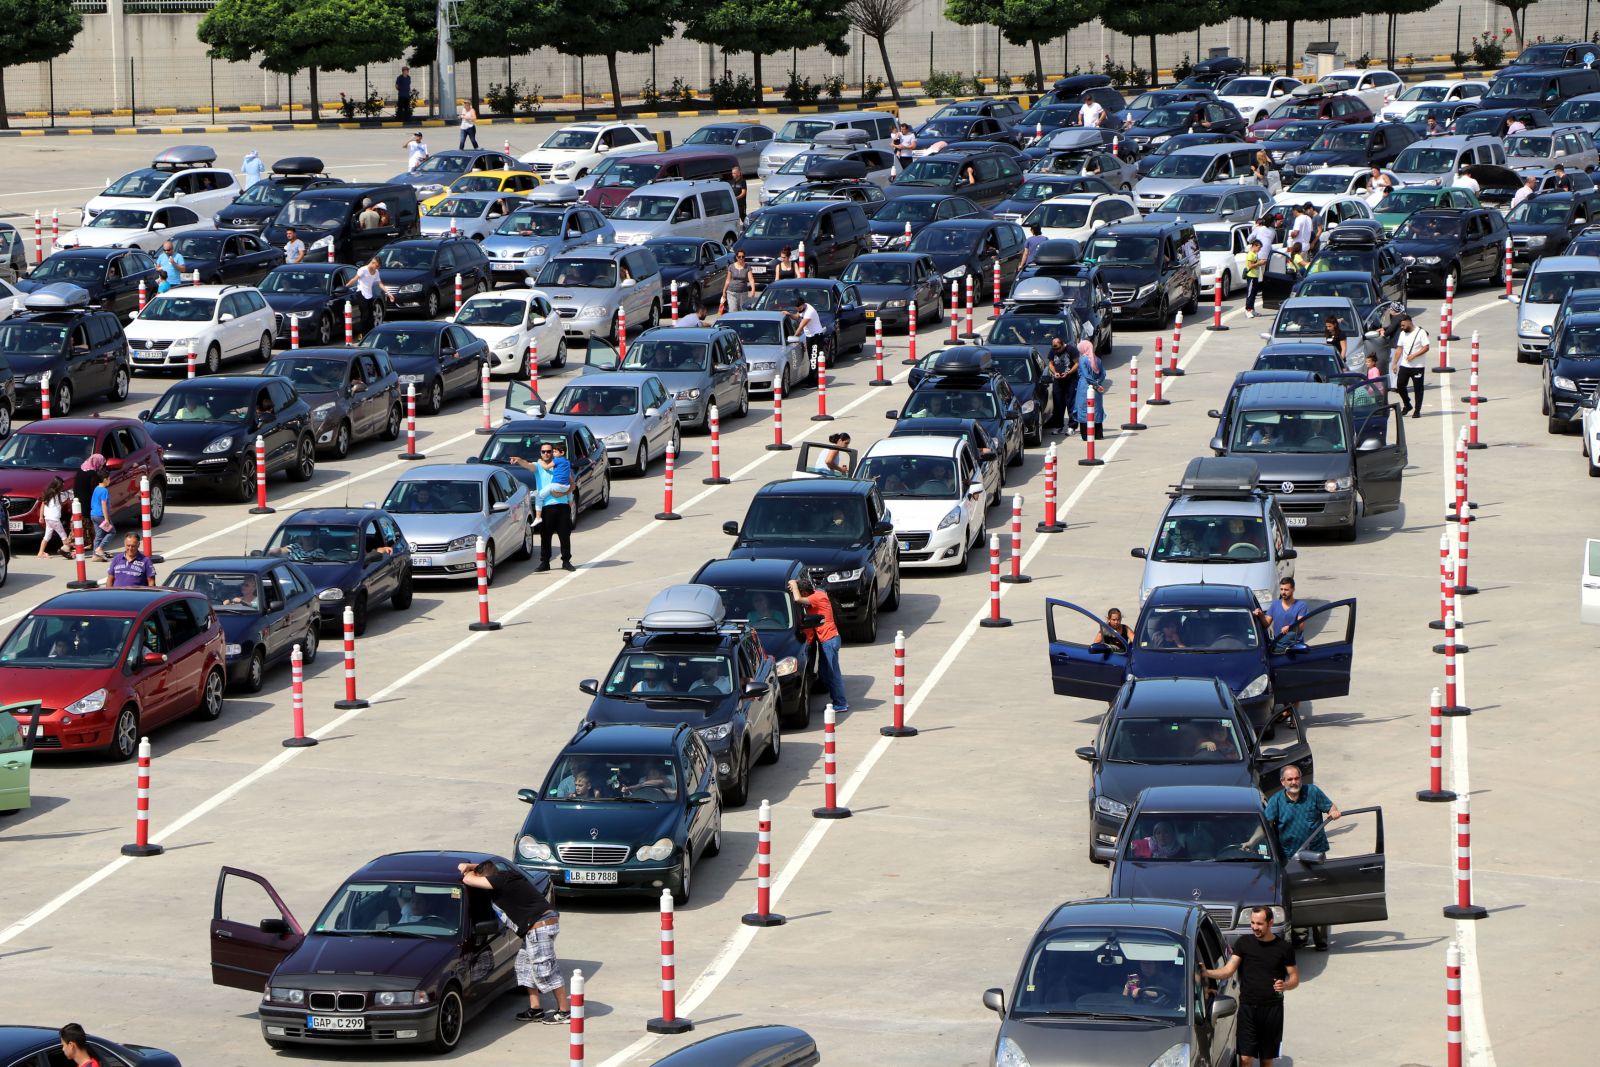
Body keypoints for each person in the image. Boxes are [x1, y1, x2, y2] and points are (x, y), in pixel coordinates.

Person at [458, 859, 570, 1024]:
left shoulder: (498, 881)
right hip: (537, 927)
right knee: (524, 966)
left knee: (545, 969)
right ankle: (536, 1009)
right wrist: (471, 866)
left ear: (486, 878)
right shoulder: (507, 875)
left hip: (539, 927)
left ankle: (564, 1012)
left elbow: (468, 879)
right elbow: (485, 869)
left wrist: (464, 868)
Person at [1200, 906, 1298, 1067]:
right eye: (1252, 923)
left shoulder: (1284, 948)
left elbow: (1295, 978)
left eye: (1259, 924)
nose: (1255, 927)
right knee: (1245, 1059)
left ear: (1270, 923)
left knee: (1266, 1060)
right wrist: (1206, 973)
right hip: (1247, 1009)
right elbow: (1228, 971)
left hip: (1272, 1011)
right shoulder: (1244, 943)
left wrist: (1286, 985)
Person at [1264, 766, 1340, 950]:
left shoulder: (1312, 792)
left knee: (1319, 895)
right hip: (1290, 857)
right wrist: (1251, 842)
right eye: (1290, 779)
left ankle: (1321, 939)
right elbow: (1266, 825)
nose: (1294, 782)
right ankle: (1300, 937)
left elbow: (1331, 807)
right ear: (1282, 782)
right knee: (1297, 897)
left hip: (1315, 855)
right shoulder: (1276, 801)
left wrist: (1334, 811)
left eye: (1297, 778)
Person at [790, 576, 846, 712]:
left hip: (829, 640)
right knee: (824, 673)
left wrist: (793, 584)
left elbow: (797, 599)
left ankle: (841, 703)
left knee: (832, 673)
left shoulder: (816, 597)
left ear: (805, 592)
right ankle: (838, 700)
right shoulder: (818, 593)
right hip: (827, 640)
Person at [534, 441, 575, 571]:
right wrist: (519, 461)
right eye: (544, 452)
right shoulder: (539, 466)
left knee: (565, 535)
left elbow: (572, 484)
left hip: (563, 507)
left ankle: (566, 561)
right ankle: (545, 562)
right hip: (547, 507)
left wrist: (566, 495)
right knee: (545, 536)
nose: (547, 453)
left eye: (550, 451)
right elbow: (528, 465)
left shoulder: (561, 465)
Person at [1391, 312, 1429, 417]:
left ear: (1409, 322)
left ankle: (1417, 410)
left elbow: (1426, 347)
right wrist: (1394, 363)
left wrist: (1414, 355)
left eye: (1403, 325)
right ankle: (1407, 404)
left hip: (1418, 366)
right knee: (1400, 385)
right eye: (1401, 326)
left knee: (1418, 389)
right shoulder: (1402, 333)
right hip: (1405, 365)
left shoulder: (1421, 332)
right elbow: (1399, 349)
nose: (1402, 327)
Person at [1072, 338, 1105, 441]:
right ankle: (1098, 434)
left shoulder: (1083, 359)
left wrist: (1094, 384)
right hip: (1097, 390)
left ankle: (1085, 435)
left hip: (1084, 388)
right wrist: (1098, 383)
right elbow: (1103, 374)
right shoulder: (1097, 359)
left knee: (1083, 410)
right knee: (1097, 410)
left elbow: (1086, 376)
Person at [1045, 336, 1077, 435]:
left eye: (1058, 348)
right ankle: (1059, 426)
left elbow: (1077, 363)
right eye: (1055, 349)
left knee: (1071, 403)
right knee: (1058, 404)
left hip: (1070, 381)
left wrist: (1068, 373)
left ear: (1063, 344)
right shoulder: (1053, 350)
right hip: (1058, 381)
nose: (1057, 351)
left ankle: (1072, 426)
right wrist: (1055, 373)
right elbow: (1050, 364)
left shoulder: (1071, 350)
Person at [784, 297, 825, 368]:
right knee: (811, 359)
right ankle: (813, 373)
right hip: (809, 336)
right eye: (797, 309)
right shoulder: (802, 308)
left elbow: (800, 327)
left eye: (799, 308)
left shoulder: (809, 312)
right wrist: (789, 314)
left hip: (816, 337)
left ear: (803, 304)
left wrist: (792, 339)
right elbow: (796, 317)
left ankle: (815, 374)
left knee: (814, 360)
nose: (799, 310)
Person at [37, 476, 72, 559]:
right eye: (62, 486)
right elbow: (68, 497)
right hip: (55, 519)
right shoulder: (60, 495)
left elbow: (42, 505)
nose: (63, 487)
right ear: (58, 486)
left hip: (48, 518)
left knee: (47, 536)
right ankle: (66, 552)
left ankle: (40, 553)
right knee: (63, 536)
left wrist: (41, 517)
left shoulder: (47, 494)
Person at [355, 257, 395, 325]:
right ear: (373, 263)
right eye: (377, 266)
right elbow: (354, 279)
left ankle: (369, 330)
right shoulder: (363, 270)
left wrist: (389, 293)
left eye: (378, 267)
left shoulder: (376, 272)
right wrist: (346, 286)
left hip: (369, 295)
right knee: (365, 315)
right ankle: (363, 331)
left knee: (370, 316)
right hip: (361, 294)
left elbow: (380, 283)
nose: (377, 268)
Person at [88, 469, 114, 560]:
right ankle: (100, 549)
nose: (110, 480)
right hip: (101, 516)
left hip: (93, 515)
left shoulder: (96, 488)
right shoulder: (104, 490)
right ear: (105, 479)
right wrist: (106, 519)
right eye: (109, 479)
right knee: (112, 532)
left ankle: (95, 555)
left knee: (99, 535)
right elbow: (103, 505)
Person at [1242, 238, 1265, 318]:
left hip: (1255, 276)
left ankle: (1252, 310)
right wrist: (1259, 263)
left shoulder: (1255, 254)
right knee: (1250, 294)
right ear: (1254, 246)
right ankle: (1248, 310)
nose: (1259, 249)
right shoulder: (1250, 254)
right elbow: (1250, 265)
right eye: (1259, 247)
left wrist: (1261, 262)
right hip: (1251, 276)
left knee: (1254, 294)